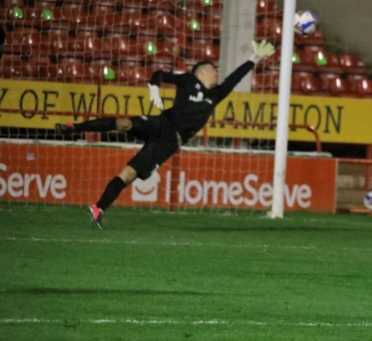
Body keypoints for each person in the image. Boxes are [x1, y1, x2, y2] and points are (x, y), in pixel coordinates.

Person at [55, 40, 275, 228]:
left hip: (169, 143)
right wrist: (153, 89)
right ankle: (74, 127)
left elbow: (234, 78)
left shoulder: (216, 94)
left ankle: (98, 208)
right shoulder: (188, 80)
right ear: (202, 72)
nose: (217, 73)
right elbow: (159, 74)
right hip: (162, 123)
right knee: (123, 124)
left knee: (129, 174)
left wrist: (254, 58)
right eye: (213, 69)